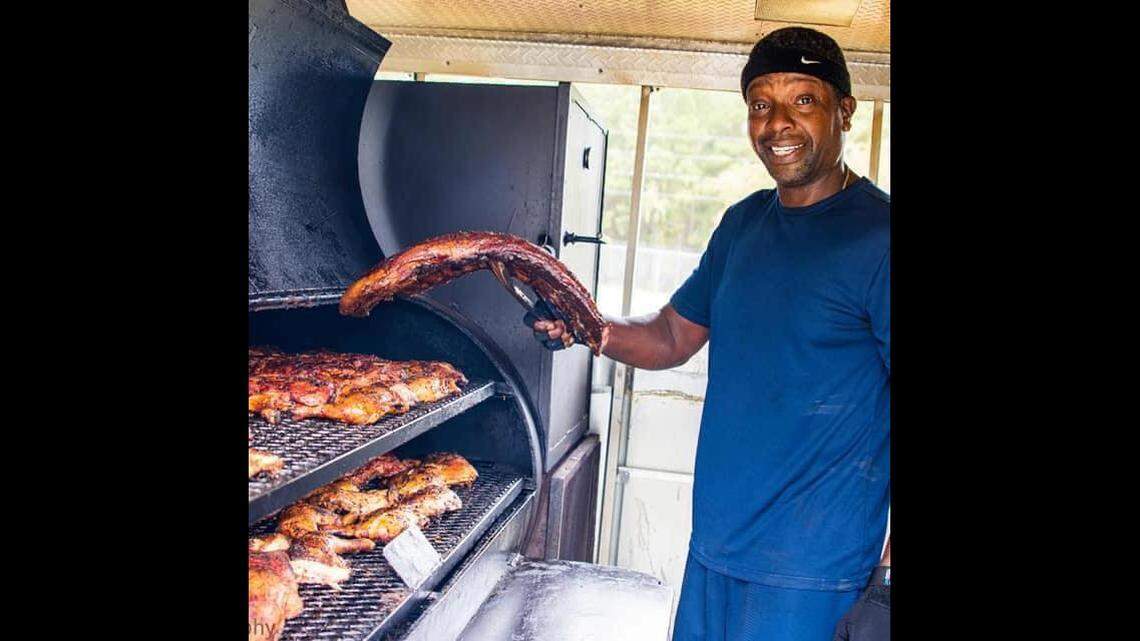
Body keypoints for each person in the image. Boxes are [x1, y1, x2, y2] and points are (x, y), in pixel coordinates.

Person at [527, 26, 890, 641]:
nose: (777, 123)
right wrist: (588, 325)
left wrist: (889, 576)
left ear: (845, 112)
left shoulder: (878, 238)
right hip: (715, 550)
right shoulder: (742, 224)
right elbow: (672, 334)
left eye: (802, 100)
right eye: (760, 103)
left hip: (814, 574)